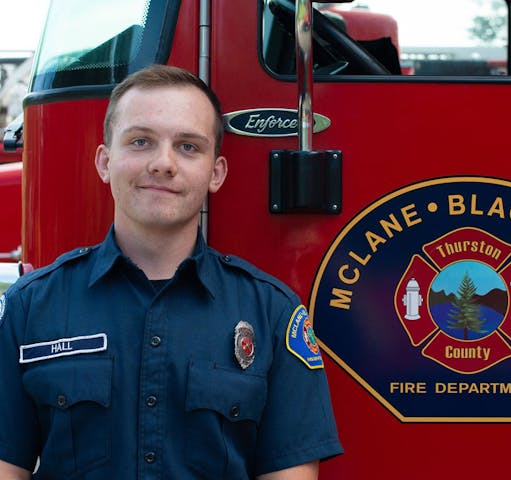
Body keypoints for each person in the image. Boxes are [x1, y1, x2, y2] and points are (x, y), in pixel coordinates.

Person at [0, 64, 343, 479]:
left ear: (215, 173)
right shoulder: (28, 308)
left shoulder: (273, 315)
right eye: (141, 141)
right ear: (105, 162)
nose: (163, 163)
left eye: (188, 147)